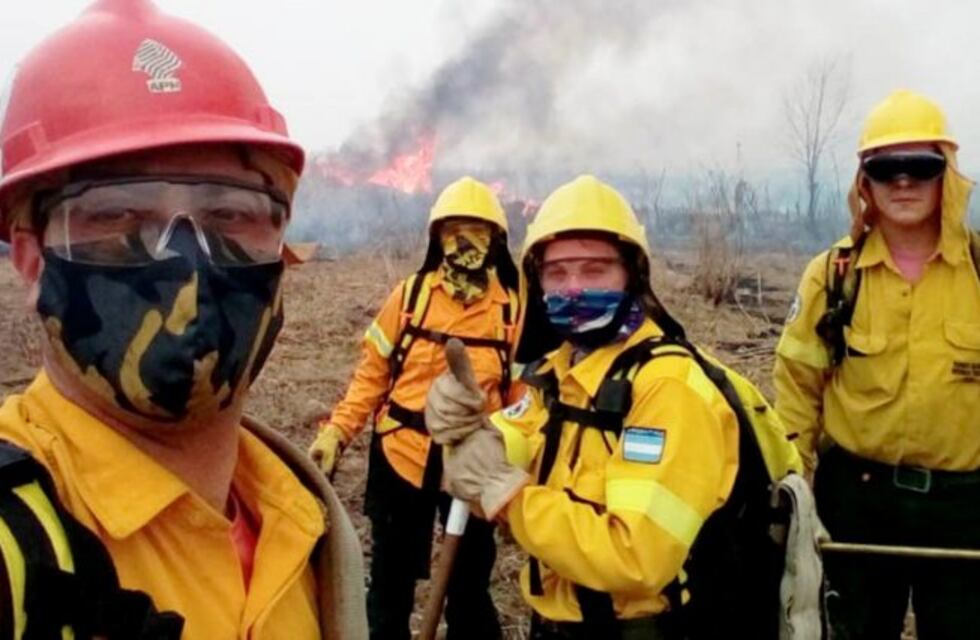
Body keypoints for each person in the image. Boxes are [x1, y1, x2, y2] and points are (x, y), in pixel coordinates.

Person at [0, 1, 367, 638]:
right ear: (31, 259)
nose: (187, 262)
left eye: (230, 214)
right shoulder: (15, 541)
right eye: (117, 214)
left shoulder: (305, 519)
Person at [424, 175, 746, 639]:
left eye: (594, 270)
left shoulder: (668, 389)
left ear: (632, 274)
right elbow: (520, 441)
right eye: (557, 273)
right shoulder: (560, 375)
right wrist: (471, 431)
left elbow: (637, 558)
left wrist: (508, 496)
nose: (573, 288)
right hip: (558, 624)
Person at [774, 89, 980, 639]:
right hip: (857, 502)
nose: (904, 182)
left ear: (947, 174)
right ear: (865, 182)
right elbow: (797, 385)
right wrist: (792, 486)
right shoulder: (832, 276)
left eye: (920, 166)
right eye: (887, 169)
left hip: (965, 508)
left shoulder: (979, 271)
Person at [307, 176, 521, 640]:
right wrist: (337, 432)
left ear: (497, 242)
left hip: (472, 466)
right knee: (390, 585)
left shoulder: (511, 313)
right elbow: (371, 377)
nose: (465, 243)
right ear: (437, 238)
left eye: (477, 232)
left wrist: (512, 468)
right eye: (454, 231)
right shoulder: (410, 298)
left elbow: (521, 404)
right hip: (401, 456)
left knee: (469, 588)